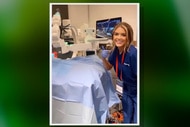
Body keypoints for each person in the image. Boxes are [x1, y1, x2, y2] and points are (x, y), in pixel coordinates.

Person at [101, 22, 137, 123]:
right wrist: (103, 58)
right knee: (127, 117)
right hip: (126, 89)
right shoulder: (115, 51)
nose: (119, 37)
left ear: (128, 37)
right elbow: (108, 67)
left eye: (123, 35)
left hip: (137, 91)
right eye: (116, 34)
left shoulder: (133, 54)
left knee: (136, 119)